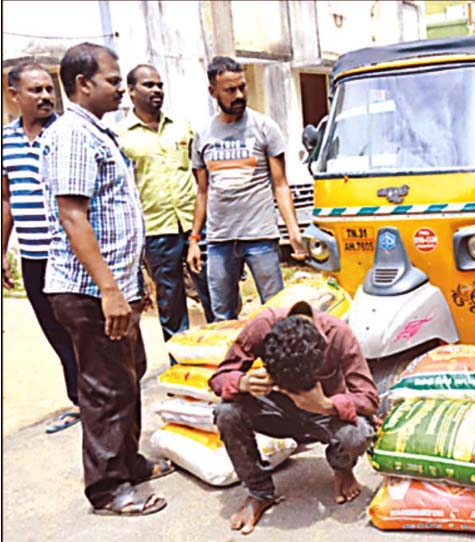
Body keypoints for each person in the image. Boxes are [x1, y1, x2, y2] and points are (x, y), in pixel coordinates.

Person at [40, 42, 174, 516]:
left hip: (116, 286)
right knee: (103, 389)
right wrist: (111, 291)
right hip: (90, 290)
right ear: (83, 84)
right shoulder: (74, 134)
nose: (122, 89)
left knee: (127, 376)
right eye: (114, 81)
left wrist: (132, 285)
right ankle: (108, 489)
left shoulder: (98, 132)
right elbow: (73, 216)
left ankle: (128, 462)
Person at [210, 301, 379, 535]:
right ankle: (260, 492)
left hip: (322, 415)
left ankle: (342, 468)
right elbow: (218, 377)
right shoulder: (261, 326)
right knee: (226, 412)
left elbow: (370, 399)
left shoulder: (338, 334)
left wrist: (327, 405)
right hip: (276, 412)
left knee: (357, 433)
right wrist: (242, 382)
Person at [187, 56, 308, 321]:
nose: (239, 94)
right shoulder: (204, 134)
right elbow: (203, 192)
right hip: (219, 240)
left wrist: (293, 230)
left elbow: (280, 185)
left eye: (242, 87)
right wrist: (194, 240)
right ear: (213, 92)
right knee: (221, 316)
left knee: (277, 313)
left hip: (260, 236)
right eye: (230, 90)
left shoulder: (265, 127)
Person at [1, 63, 82, 434]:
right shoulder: (5, 141)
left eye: (50, 89)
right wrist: (2, 251)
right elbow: (6, 200)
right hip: (34, 257)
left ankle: (100, 403)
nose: (47, 96)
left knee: (84, 331)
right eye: (36, 90)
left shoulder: (67, 134)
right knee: (55, 333)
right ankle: (80, 401)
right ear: (13, 95)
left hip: (70, 256)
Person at [116, 64, 214, 364]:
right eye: (148, 85)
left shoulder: (182, 127)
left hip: (195, 225)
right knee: (171, 304)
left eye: (159, 84)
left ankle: (224, 361)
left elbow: (201, 177)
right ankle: (182, 368)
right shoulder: (120, 136)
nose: (156, 90)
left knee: (214, 294)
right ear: (131, 91)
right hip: (156, 231)